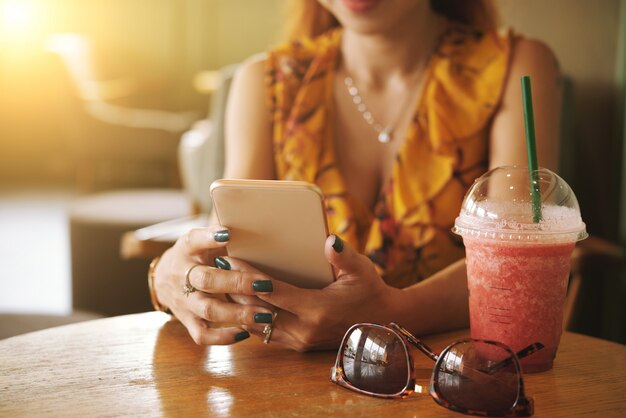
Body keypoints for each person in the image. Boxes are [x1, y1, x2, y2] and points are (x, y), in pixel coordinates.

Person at [151, 0, 561, 351]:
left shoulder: (516, 66)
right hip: (284, 378)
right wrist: (171, 275)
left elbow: (516, 260)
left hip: (450, 373)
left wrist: (392, 314)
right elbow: (225, 255)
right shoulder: (266, 82)